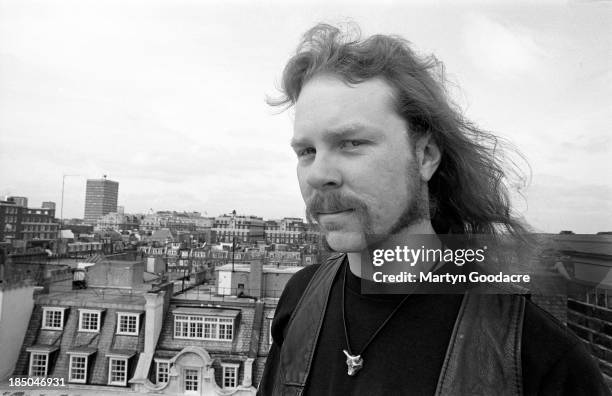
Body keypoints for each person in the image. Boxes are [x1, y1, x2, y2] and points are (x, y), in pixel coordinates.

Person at [258, 23, 610, 395]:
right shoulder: (300, 299)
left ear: (425, 155)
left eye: (350, 143)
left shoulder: (534, 357)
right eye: (306, 152)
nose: (318, 175)